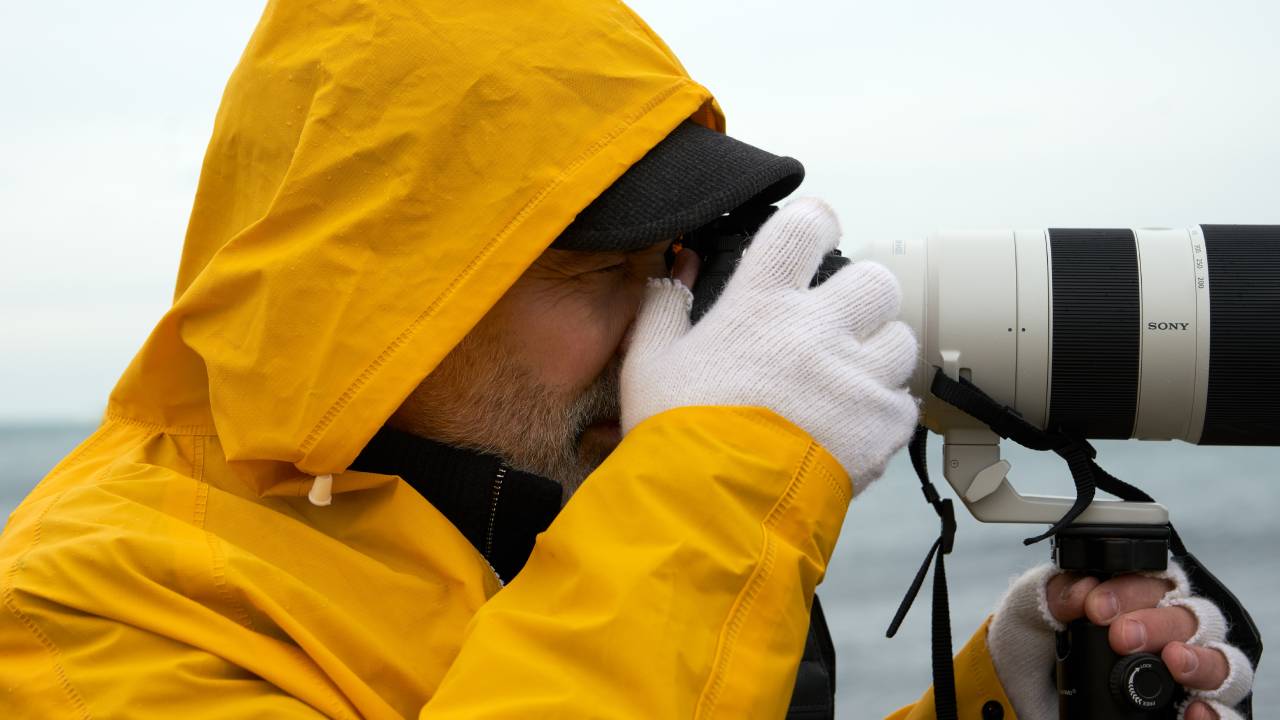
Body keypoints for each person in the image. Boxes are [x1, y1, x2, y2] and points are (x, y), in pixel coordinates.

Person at [0, 1, 1253, 718]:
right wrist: (724, 474)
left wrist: (996, 706)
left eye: (672, 263)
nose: (667, 324)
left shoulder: (520, 509)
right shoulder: (81, 616)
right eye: (603, 271)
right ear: (385, 296)